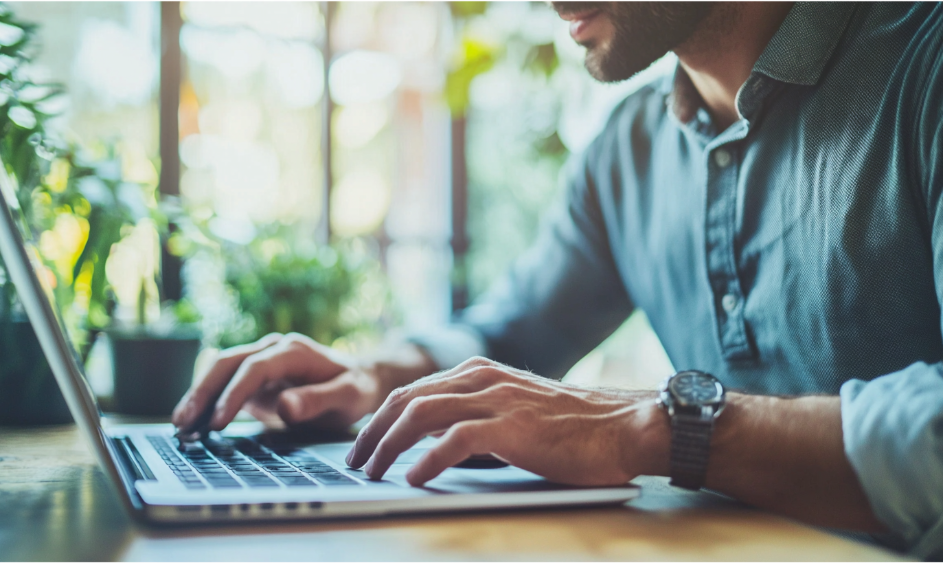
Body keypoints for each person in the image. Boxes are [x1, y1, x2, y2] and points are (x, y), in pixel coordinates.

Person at [174, 2, 943, 559]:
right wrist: (375, 373)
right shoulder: (630, 148)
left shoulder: (925, 62)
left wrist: (654, 427)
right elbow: (513, 334)